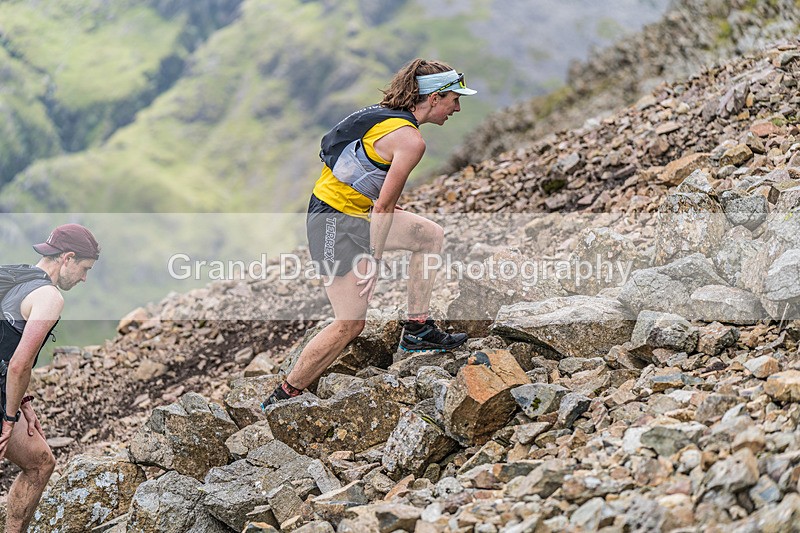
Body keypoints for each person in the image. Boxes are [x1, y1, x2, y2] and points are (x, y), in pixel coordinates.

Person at [262, 59, 475, 406]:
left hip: (351, 211)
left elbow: (359, 172)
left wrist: (377, 208)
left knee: (429, 235)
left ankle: (418, 329)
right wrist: (373, 261)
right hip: (332, 222)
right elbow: (384, 209)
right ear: (434, 97)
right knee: (349, 323)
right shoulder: (411, 141)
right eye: (454, 98)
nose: (458, 107)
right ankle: (283, 396)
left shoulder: (386, 116)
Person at [0, 223, 100, 532]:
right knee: (40, 464)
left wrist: (23, 401)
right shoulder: (49, 298)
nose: (84, 278)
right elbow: (19, 364)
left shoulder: (20, 278)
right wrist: (9, 418)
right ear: (68, 257)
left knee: (41, 461)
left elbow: (5, 344)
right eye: (84, 269)